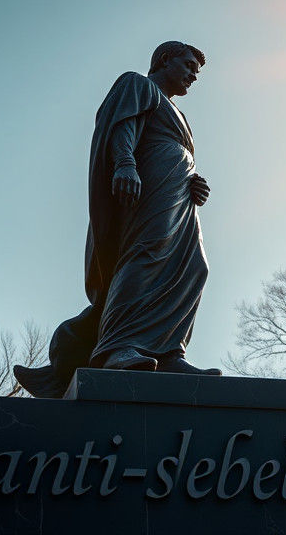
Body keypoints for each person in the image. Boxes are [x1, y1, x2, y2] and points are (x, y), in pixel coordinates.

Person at [14, 41, 221, 398]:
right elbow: (122, 127)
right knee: (147, 253)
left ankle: (168, 351)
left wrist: (194, 182)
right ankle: (117, 347)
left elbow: (178, 150)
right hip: (149, 186)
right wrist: (125, 164)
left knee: (194, 267)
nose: (192, 75)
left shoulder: (179, 115)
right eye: (187, 65)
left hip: (179, 194)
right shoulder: (138, 85)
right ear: (164, 60)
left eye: (196, 72)